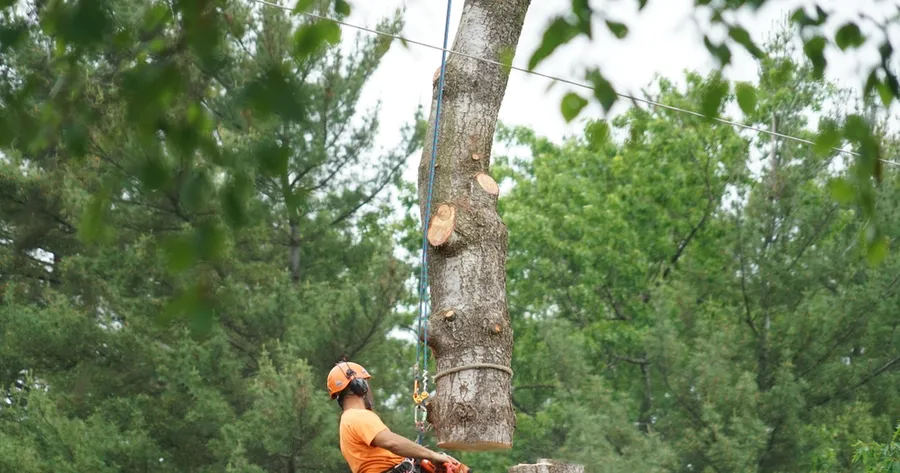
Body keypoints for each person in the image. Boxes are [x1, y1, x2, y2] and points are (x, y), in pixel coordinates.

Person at [327, 361, 458, 473]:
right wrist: (432, 456)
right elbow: (392, 443)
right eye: (366, 383)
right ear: (359, 385)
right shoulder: (357, 416)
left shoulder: (348, 421)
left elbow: (384, 454)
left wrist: (417, 457)